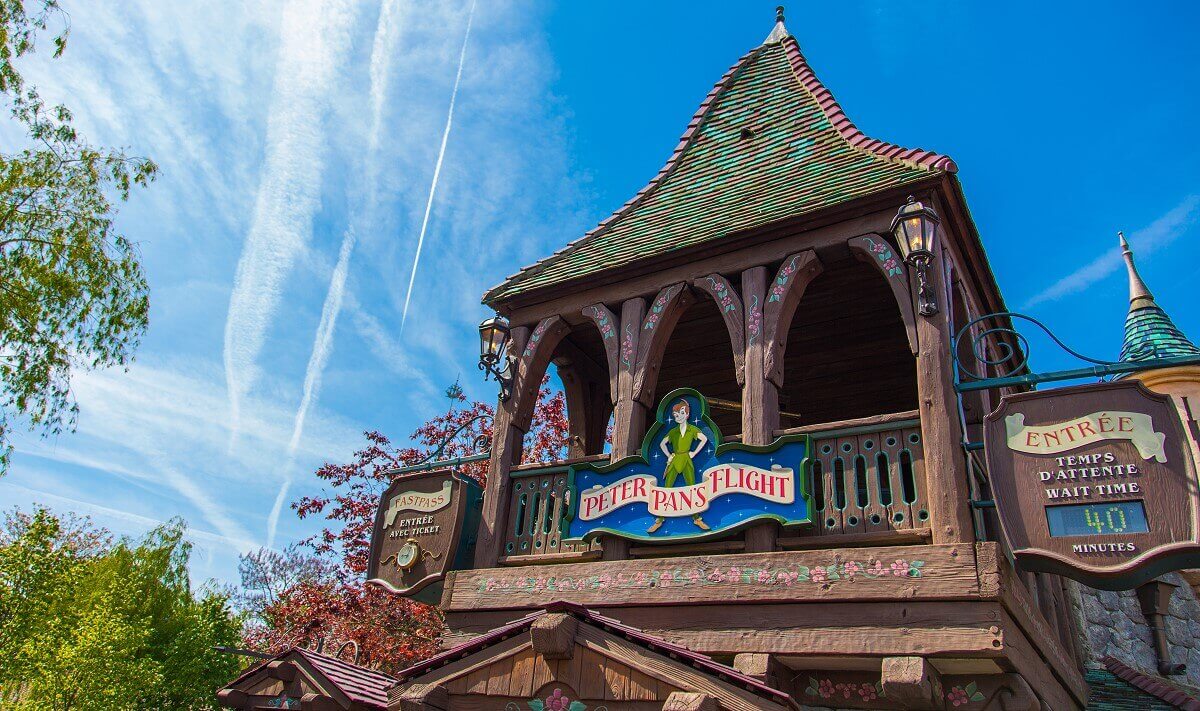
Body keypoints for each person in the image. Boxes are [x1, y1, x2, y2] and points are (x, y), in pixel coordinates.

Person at [647, 399, 710, 533]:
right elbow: (662, 444)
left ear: (687, 414)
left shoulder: (692, 429)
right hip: (675, 459)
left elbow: (704, 439)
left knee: (692, 487)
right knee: (667, 488)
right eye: (676, 415)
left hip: (686, 458)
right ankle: (659, 519)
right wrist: (669, 455)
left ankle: (697, 518)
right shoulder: (673, 432)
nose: (679, 416)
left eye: (681, 413)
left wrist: (694, 453)